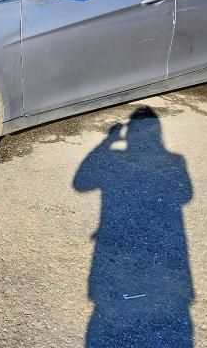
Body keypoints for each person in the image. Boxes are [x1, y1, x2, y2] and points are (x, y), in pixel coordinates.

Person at [74, 107, 195, 347]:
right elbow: (186, 195)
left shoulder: (116, 158)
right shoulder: (174, 161)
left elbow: (81, 183)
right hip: (164, 250)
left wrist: (107, 142)